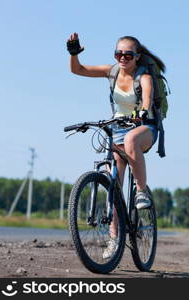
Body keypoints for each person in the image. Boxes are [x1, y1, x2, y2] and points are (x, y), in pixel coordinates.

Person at [67, 32, 165, 258]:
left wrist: (142, 111)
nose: (122, 58)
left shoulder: (144, 77)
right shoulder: (111, 72)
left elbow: (148, 99)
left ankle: (141, 192)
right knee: (114, 188)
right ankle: (114, 239)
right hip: (117, 128)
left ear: (137, 56)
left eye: (127, 54)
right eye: (118, 53)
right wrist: (73, 54)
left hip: (144, 128)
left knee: (131, 140)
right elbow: (77, 70)